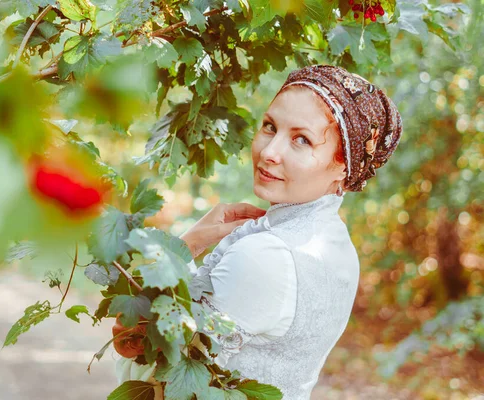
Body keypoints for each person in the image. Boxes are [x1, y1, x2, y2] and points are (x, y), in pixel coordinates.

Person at [112, 64, 403, 399]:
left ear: (342, 168)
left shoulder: (266, 255)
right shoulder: (336, 245)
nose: (269, 152)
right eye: (270, 126)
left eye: (301, 140)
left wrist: (185, 246)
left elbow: (136, 345)